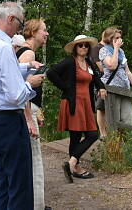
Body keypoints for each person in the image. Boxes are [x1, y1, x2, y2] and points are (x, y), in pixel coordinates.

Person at [0, 2, 45, 210]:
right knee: (20, 184)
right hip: (10, 120)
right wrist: (30, 83)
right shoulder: (3, 47)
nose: (20, 30)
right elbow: (16, 95)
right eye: (20, 24)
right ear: (11, 19)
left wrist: (23, 66)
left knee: (4, 179)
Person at [46, 35, 107, 182]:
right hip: (73, 102)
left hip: (86, 103)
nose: (84, 48)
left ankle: (72, 164)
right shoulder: (69, 62)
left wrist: (102, 88)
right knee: (78, 136)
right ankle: (75, 166)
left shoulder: (89, 63)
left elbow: (96, 79)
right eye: (80, 45)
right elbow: (51, 73)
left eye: (86, 45)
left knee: (90, 134)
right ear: (75, 48)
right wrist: (65, 87)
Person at [17, 18, 51, 210]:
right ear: (32, 32)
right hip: (25, 112)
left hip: (30, 109)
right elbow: (22, 87)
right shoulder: (28, 52)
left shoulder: (26, 51)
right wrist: (29, 116)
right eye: (43, 30)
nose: (46, 34)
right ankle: (35, 205)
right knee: (34, 158)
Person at [98, 28, 132, 130]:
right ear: (110, 39)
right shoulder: (103, 50)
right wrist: (115, 49)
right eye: (116, 38)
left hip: (125, 89)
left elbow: (127, 71)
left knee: (127, 120)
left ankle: (123, 144)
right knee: (115, 120)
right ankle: (113, 144)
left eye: (120, 37)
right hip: (112, 89)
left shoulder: (121, 52)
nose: (119, 40)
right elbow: (111, 66)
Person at [89, 29, 107, 137]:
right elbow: (99, 65)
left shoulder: (111, 49)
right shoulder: (97, 48)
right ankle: (103, 133)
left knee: (108, 107)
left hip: (110, 82)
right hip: (100, 80)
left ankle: (109, 133)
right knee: (100, 107)